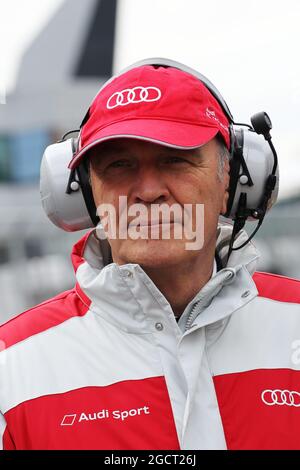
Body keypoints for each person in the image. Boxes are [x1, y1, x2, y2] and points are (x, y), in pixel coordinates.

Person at [0, 59, 300, 451]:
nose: (148, 191)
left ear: (233, 178)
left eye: (175, 159)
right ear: (86, 196)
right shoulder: (11, 368)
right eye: (119, 165)